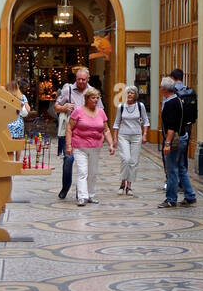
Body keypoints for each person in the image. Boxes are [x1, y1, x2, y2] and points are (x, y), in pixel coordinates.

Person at [54, 66, 103, 200]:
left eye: (83, 79)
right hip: (69, 130)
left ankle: (80, 192)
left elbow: (100, 112)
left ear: (88, 79)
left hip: (86, 134)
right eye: (78, 79)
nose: (81, 81)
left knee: (85, 166)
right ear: (75, 79)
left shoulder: (92, 91)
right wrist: (63, 107)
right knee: (69, 159)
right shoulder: (68, 89)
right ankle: (66, 187)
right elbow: (56, 106)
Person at [64, 86, 113, 206]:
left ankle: (91, 195)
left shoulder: (101, 112)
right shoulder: (78, 111)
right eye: (93, 98)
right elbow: (69, 128)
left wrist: (111, 144)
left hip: (95, 147)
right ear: (87, 99)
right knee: (82, 172)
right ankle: (82, 197)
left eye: (97, 98)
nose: (96, 100)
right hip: (80, 146)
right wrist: (68, 145)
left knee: (93, 172)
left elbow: (106, 130)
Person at [159, 75, 196, 208]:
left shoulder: (169, 104)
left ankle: (171, 199)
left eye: (160, 87)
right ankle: (190, 195)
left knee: (172, 170)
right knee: (181, 168)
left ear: (164, 89)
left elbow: (171, 127)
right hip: (183, 136)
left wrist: (167, 143)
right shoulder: (179, 100)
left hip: (174, 140)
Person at [112, 86, 149, 195]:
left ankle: (129, 186)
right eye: (128, 93)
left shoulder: (140, 106)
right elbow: (116, 123)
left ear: (135, 95)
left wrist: (145, 134)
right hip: (123, 136)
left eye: (132, 93)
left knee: (133, 161)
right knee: (126, 159)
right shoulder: (121, 107)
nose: (129, 95)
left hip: (136, 136)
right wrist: (114, 138)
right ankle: (122, 183)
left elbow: (146, 121)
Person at [170, 67, 198, 199]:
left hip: (176, 128)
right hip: (188, 126)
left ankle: (174, 186)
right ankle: (183, 183)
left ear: (173, 78)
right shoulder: (189, 90)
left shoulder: (173, 92)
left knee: (173, 159)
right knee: (183, 156)